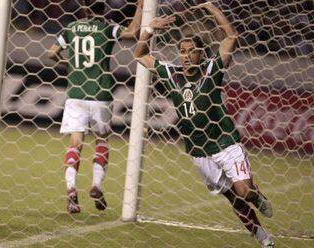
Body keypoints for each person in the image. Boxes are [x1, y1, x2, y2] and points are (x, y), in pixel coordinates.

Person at [134, 2, 275, 247]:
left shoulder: (212, 71)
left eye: (191, 51)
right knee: (234, 199)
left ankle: (257, 195)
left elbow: (231, 36)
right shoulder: (171, 73)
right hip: (200, 151)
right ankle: (263, 238)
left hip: (225, 142)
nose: (186, 56)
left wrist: (211, 8)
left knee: (245, 193)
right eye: (182, 51)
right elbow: (139, 55)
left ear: (202, 53)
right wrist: (149, 29)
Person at [47, 0, 143, 213]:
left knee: (75, 143)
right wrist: (140, 7)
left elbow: (51, 53)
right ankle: (97, 185)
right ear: (105, 8)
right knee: (102, 140)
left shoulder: (71, 28)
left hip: (76, 93)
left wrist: (68, 63)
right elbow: (133, 33)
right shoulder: (108, 26)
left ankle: (71, 189)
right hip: (100, 92)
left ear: (84, 7)